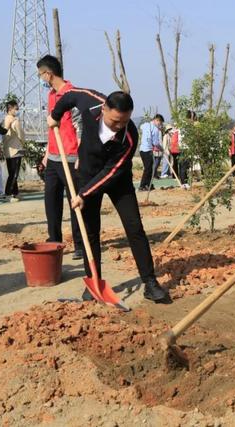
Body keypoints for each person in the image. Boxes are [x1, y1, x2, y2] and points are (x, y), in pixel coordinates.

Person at [48, 90, 170, 303]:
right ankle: (93, 283)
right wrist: (56, 115)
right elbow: (69, 96)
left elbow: (111, 172)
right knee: (91, 232)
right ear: (104, 109)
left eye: (124, 121)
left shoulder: (129, 136)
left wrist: (83, 194)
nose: (119, 126)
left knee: (135, 229)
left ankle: (150, 283)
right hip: (87, 174)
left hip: (118, 180)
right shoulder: (90, 104)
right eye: (115, 121)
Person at [37, 54, 84, 260]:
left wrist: (81, 155)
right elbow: (52, 127)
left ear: (49, 74)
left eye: (41, 74)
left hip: (71, 157)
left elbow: (80, 127)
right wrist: (47, 154)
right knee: (51, 201)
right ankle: (54, 240)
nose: (41, 78)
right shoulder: (51, 95)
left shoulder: (71, 94)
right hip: (54, 158)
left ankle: (80, 244)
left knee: (74, 202)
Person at [2, 100, 25, 201]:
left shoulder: (5, 120)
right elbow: (21, 135)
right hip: (16, 149)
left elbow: (4, 136)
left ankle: (15, 192)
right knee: (14, 173)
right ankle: (8, 193)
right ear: (10, 109)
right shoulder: (15, 121)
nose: (17, 110)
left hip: (8, 150)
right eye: (16, 109)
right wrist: (23, 143)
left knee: (11, 172)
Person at [138, 114, 164, 191]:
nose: (160, 124)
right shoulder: (155, 129)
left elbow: (141, 127)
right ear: (156, 120)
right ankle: (142, 186)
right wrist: (161, 149)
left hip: (142, 150)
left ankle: (148, 185)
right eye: (160, 122)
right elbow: (156, 143)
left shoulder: (145, 125)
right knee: (148, 168)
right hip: (147, 150)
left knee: (150, 168)